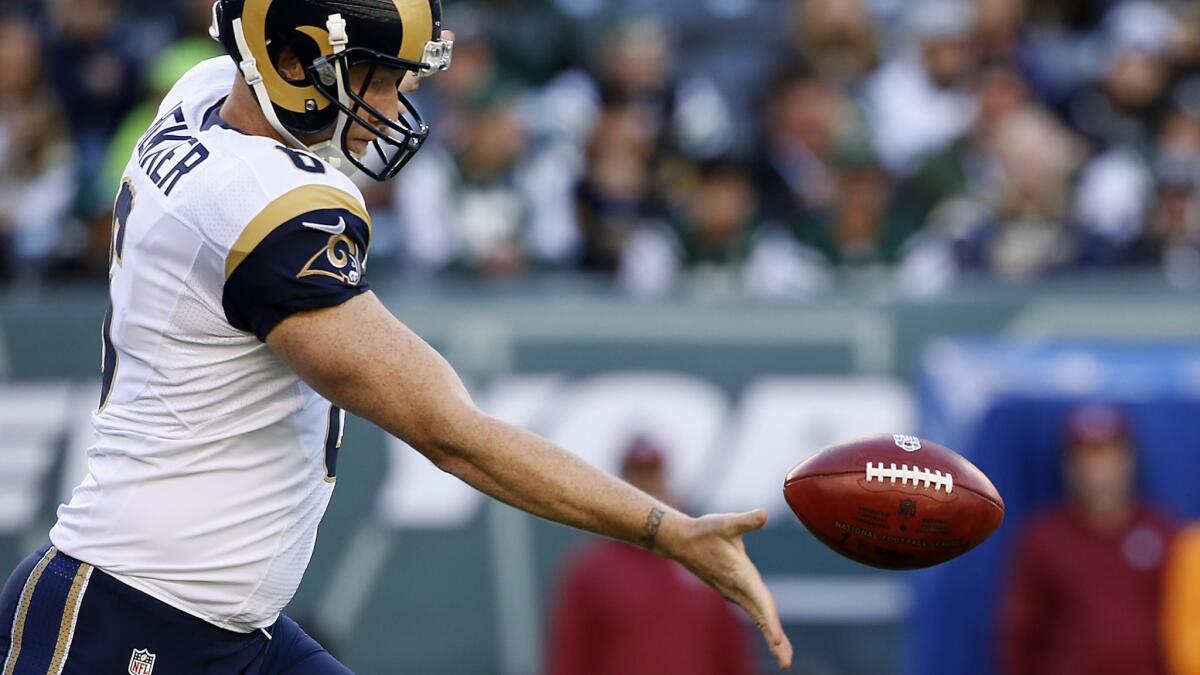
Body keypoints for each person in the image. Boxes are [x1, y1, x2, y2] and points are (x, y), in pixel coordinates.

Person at [0, 0, 793, 673]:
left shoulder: (206, 93)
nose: (394, 95)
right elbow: (456, 436)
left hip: (231, 626)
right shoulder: (265, 205)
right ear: (292, 61)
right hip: (130, 617)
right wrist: (668, 529)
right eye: (374, 74)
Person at [546, 437, 756, 675]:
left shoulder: (705, 560)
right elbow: (571, 659)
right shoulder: (592, 569)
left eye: (653, 475)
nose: (646, 487)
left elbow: (731, 654)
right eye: (636, 477)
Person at [998, 404, 1176, 675]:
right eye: (1087, 457)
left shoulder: (1164, 533)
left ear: (1128, 460)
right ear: (1069, 466)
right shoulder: (1044, 538)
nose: (1099, 470)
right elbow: (1020, 634)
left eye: (1108, 455)